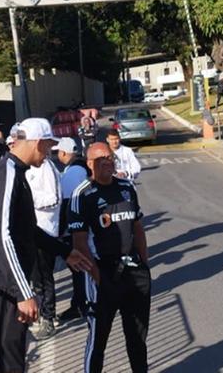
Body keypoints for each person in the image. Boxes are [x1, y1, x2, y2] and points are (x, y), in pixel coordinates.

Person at [0, 118, 94, 373]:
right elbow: (2, 236)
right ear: (38, 143)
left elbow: (26, 229)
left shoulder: (17, 173)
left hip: (7, 282)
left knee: (14, 354)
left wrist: (64, 251)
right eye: (48, 146)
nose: (49, 153)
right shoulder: (5, 174)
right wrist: (23, 292)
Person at [69, 141, 151, 373]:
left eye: (110, 157)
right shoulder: (82, 194)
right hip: (103, 275)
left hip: (134, 274)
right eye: (100, 159)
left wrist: (144, 265)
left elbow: (138, 228)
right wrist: (98, 278)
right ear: (89, 164)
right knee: (98, 341)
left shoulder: (127, 186)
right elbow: (80, 244)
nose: (107, 162)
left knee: (137, 338)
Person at [26, 142, 63, 337]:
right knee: (36, 278)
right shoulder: (29, 168)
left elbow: (53, 198)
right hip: (32, 230)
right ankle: (42, 315)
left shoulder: (46, 168)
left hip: (45, 230)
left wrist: (28, 199)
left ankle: (49, 317)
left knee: (43, 277)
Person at [55, 137, 90, 322]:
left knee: (78, 266)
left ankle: (80, 304)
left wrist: (60, 231)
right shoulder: (81, 168)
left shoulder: (72, 173)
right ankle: (82, 301)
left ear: (64, 153)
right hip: (86, 226)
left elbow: (67, 204)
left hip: (76, 229)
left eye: (58, 152)